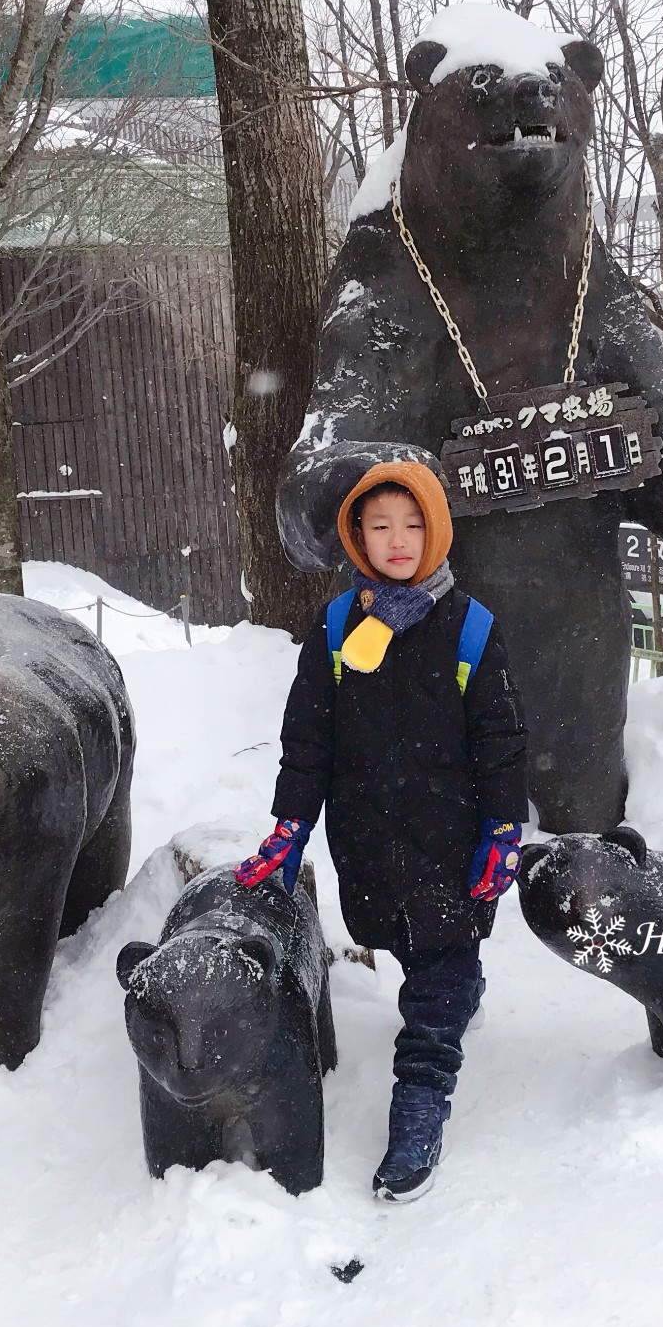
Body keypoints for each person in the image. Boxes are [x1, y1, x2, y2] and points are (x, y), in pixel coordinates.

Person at [237, 460, 527, 1203]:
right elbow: (309, 741)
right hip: (367, 838)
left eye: (412, 524)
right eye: (380, 526)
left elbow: (500, 741)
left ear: (435, 530)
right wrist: (290, 826)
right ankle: (455, 995)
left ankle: (421, 1103)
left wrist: (501, 826)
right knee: (404, 944)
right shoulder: (337, 627)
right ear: (357, 536)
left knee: (437, 973)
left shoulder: (471, 628)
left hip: (450, 836)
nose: (398, 541)